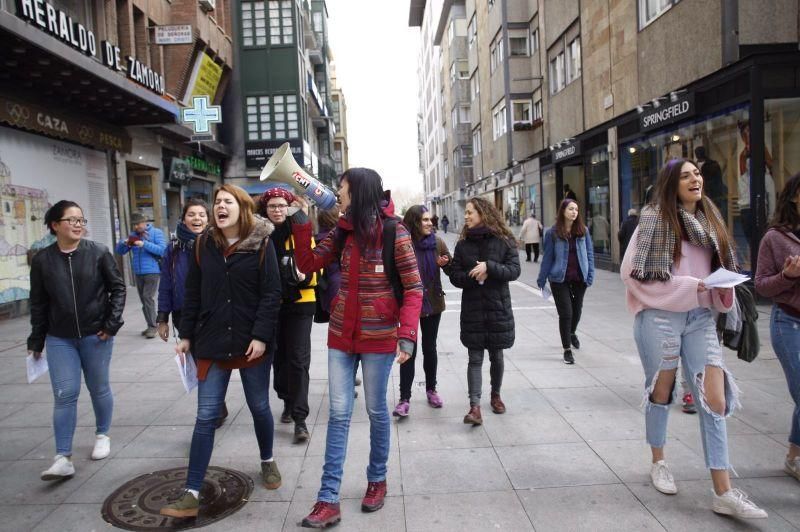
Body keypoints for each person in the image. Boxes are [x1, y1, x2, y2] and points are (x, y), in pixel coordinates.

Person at [621, 158, 767, 519]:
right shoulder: (653, 221)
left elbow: (720, 272)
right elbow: (632, 274)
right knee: (662, 391)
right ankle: (659, 460)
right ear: (672, 184)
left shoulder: (711, 222)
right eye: (685, 175)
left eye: (697, 174)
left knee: (714, 400)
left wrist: (722, 288)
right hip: (660, 316)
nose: (695, 179)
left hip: (701, 317)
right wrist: (691, 286)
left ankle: (724, 492)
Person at [289, 168, 423, 528]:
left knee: (377, 411)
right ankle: (327, 498)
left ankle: (376, 480)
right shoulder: (341, 232)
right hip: (340, 336)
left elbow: (413, 288)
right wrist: (300, 219)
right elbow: (307, 263)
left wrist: (407, 334)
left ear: (359, 193)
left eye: (343, 189)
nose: (338, 194)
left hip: (379, 337)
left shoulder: (395, 232)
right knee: (338, 414)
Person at [160, 185, 282, 518]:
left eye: (227, 202)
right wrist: (186, 334)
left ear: (242, 209)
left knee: (258, 406)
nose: (220, 207)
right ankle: (191, 490)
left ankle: (267, 460)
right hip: (211, 342)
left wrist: (260, 336)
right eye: (217, 203)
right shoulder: (203, 245)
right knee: (205, 416)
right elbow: (193, 292)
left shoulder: (261, 244)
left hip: (251, 342)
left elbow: (272, 294)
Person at [28, 200, 126, 480]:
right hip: (60, 338)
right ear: (55, 225)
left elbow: (117, 288)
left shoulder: (98, 252)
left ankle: (102, 434)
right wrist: (36, 339)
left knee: (98, 387)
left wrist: (111, 324)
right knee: (65, 394)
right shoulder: (43, 260)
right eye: (71, 220)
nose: (78, 225)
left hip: (96, 335)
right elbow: (38, 303)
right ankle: (62, 457)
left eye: (81, 220)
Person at [447, 197, 520, 426]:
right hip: (473, 310)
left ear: (483, 213)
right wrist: (474, 274)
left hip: (498, 308)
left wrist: (490, 267)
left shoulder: (504, 240)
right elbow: (456, 277)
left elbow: (514, 270)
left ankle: (495, 395)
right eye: (466, 213)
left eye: (470, 212)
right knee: (475, 358)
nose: (466, 216)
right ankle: (474, 407)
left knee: (496, 355)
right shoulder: (462, 244)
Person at [156, 199, 228, 428]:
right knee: (198, 361)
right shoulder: (174, 249)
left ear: (209, 219)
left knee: (211, 360)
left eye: (201, 215)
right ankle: (215, 406)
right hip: (184, 314)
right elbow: (166, 283)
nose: (197, 219)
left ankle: (213, 407)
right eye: (191, 215)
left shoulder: (217, 244)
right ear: (183, 219)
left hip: (211, 312)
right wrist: (162, 318)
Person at [258, 185, 318, 444]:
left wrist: (305, 275)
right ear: (265, 210)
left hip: (301, 302)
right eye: (272, 206)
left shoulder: (301, 231)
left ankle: (300, 418)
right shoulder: (259, 235)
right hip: (271, 304)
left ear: (289, 207)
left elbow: (316, 266)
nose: (277, 210)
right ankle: (287, 399)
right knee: (279, 359)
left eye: (282, 205)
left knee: (298, 359)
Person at [754, 171, 800, 484]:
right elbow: (761, 286)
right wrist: (788, 276)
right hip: (789, 322)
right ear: (795, 196)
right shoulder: (775, 237)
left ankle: (793, 457)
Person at [393, 205, 451, 417]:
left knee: (430, 348)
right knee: (409, 350)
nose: (429, 223)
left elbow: (452, 269)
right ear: (415, 222)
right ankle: (404, 398)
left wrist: (444, 264)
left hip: (433, 304)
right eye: (425, 220)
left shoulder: (437, 243)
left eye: (430, 220)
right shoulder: (403, 244)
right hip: (409, 305)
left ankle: (431, 390)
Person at [537, 199, 595, 364]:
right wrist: (542, 278)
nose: (574, 212)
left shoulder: (583, 231)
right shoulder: (552, 233)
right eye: (571, 209)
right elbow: (548, 257)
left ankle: (572, 332)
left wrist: (590, 274)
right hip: (558, 279)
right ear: (563, 211)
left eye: (576, 209)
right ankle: (567, 349)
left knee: (577, 311)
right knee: (566, 313)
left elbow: (589, 253)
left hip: (579, 278)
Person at [115, 212, 166, 338]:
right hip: (138, 272)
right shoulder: (133, 236)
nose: (136, 227)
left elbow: (162, 250)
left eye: (138, 224)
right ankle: (150, 324)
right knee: (144, 300)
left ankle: (153, 327)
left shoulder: (155, 232)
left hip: (152, 271)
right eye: (134, 225)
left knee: (147, 297)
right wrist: (124, 243)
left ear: (145, 222)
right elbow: (120, 251)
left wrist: (144, 244)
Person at [695, 146, 727, 221]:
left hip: (712, 196)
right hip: (699, 197)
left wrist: (718, 195)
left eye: (700, 152)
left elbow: (718, 181)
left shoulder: (713, 165)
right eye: (697, 152)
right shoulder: (693, 166)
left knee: (714, 219)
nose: (698, 154)